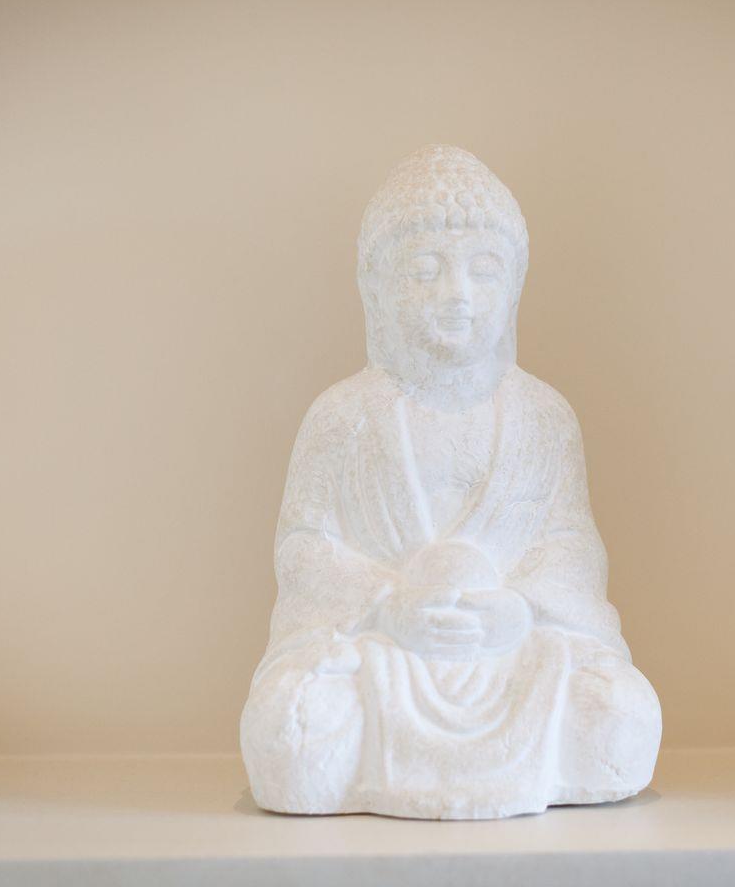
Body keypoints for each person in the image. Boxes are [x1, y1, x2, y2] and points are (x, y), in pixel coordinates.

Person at [240, 145, 660, 819]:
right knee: (290, 730)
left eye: (483, 270)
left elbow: (572, 548)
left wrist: (518, 609)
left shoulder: (543, 418)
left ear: (514, 286)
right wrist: (388, 605)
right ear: (377, 286)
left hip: (514, 657)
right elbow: (304, 548)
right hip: (383, 658)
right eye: (425, 271)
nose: (457, 293)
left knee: (621, 716)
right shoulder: (342, 418)